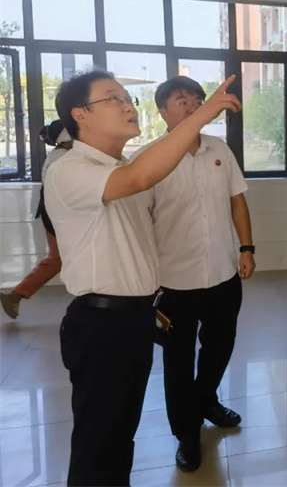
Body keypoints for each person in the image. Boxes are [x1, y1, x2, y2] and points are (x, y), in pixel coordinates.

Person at [45, 70, 239, 487]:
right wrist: (201, 115)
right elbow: (139, 179)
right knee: (99, 445)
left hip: (134, 317)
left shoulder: (121, 165)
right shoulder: (70, 169)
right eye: (112, 98)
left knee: (118, 439)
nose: (127, 105)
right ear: (80, 114)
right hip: (101, 325)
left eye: (127, 97)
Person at [134, 76, 255, 472]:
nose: (190, 106)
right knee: (178, 361)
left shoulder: (219, 149)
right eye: (180, 100)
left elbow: (237, 201)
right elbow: (140, 223)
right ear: (163, 112)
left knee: (221, 345)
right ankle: (186, 432)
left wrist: (247, 248)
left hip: (223, 271)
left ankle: (205, 400)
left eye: (196, 100)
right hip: (174, 280)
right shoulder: (151, 158)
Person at [1, 120, 71, 319]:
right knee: (57, 259)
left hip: (54, 216)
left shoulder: (58, 155)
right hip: (57, 218)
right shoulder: (63, 158)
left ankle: (16, 295)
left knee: (57, 259)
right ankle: (16, 295)